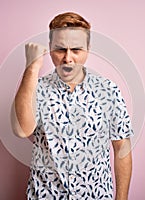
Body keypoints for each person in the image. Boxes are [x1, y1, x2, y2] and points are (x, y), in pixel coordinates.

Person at [12, 12, 134, 200]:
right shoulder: (36, 89)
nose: (68, 58)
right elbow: (22, 130)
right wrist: (32, 67)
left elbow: (121, 148)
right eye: (60, 49)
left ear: (88, 49)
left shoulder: (108, 90)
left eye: (76, 50)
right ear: (50, 48)